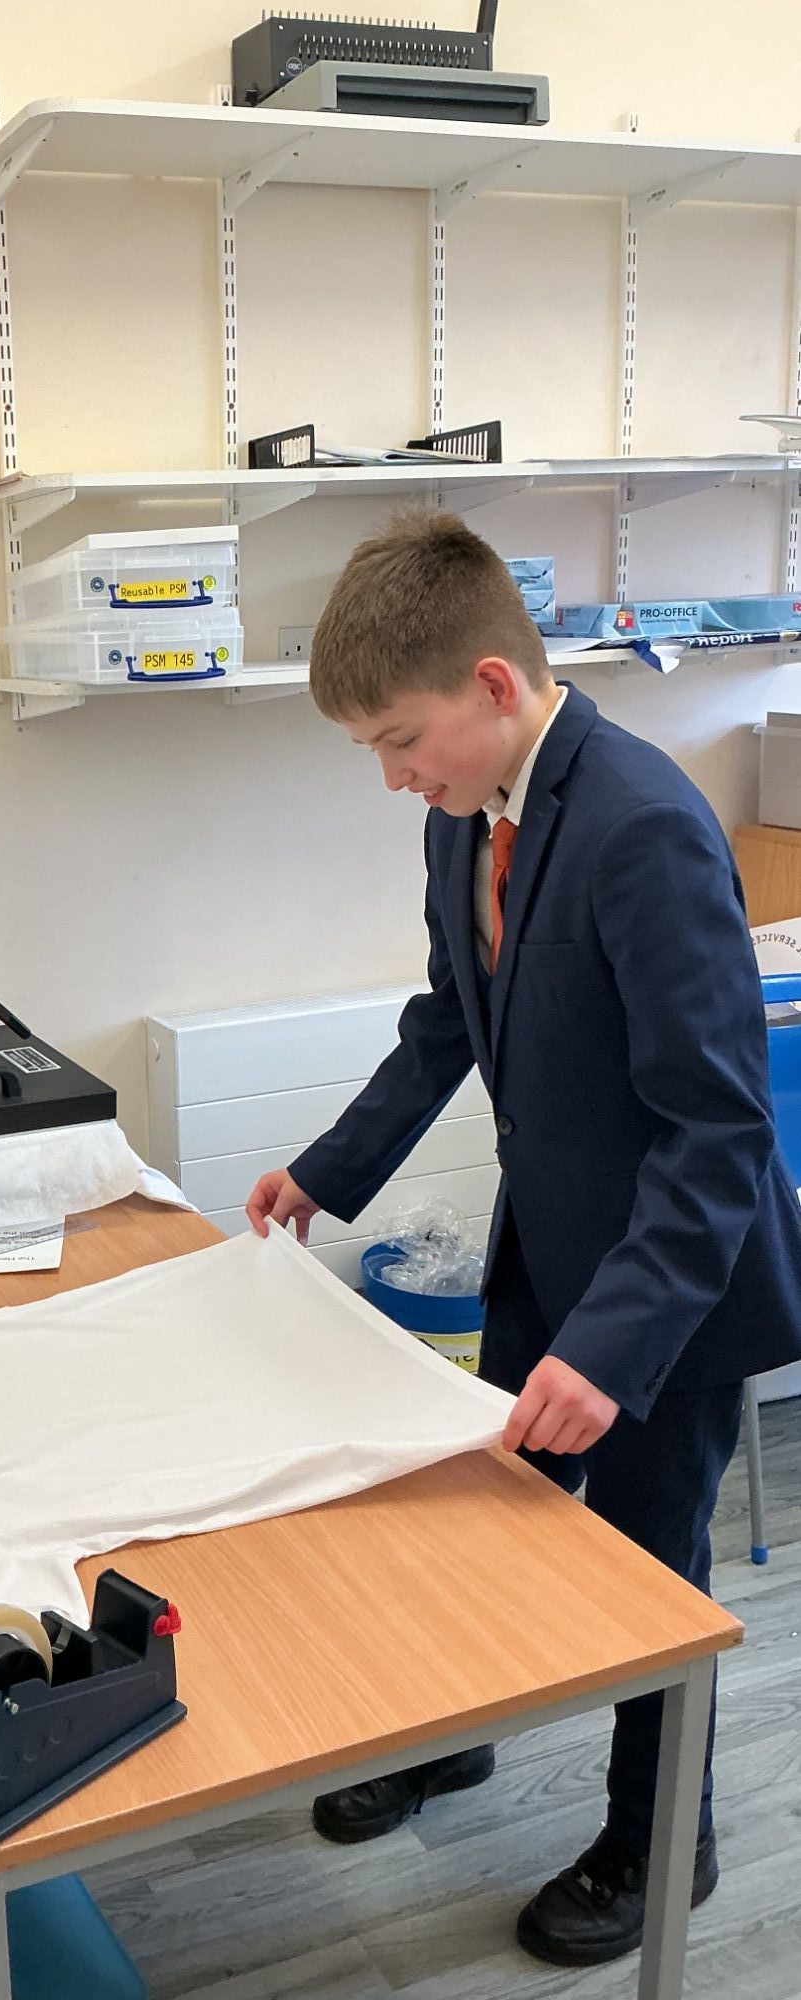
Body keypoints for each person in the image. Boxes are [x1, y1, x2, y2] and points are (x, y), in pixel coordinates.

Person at [246, 513, 801, 1967]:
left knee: (646, 1569)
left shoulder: (645, 827)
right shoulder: (463, 818)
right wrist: (327, 1169)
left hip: (671, 1292)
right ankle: (457, 1738)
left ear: (495, 686)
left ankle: (658, 1836)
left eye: (399, 737)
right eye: (369, 748)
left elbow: (718, 1130)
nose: (391, 776)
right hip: (551, 1248)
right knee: (482, 1523)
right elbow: (449, 1019)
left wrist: (613, 1349)